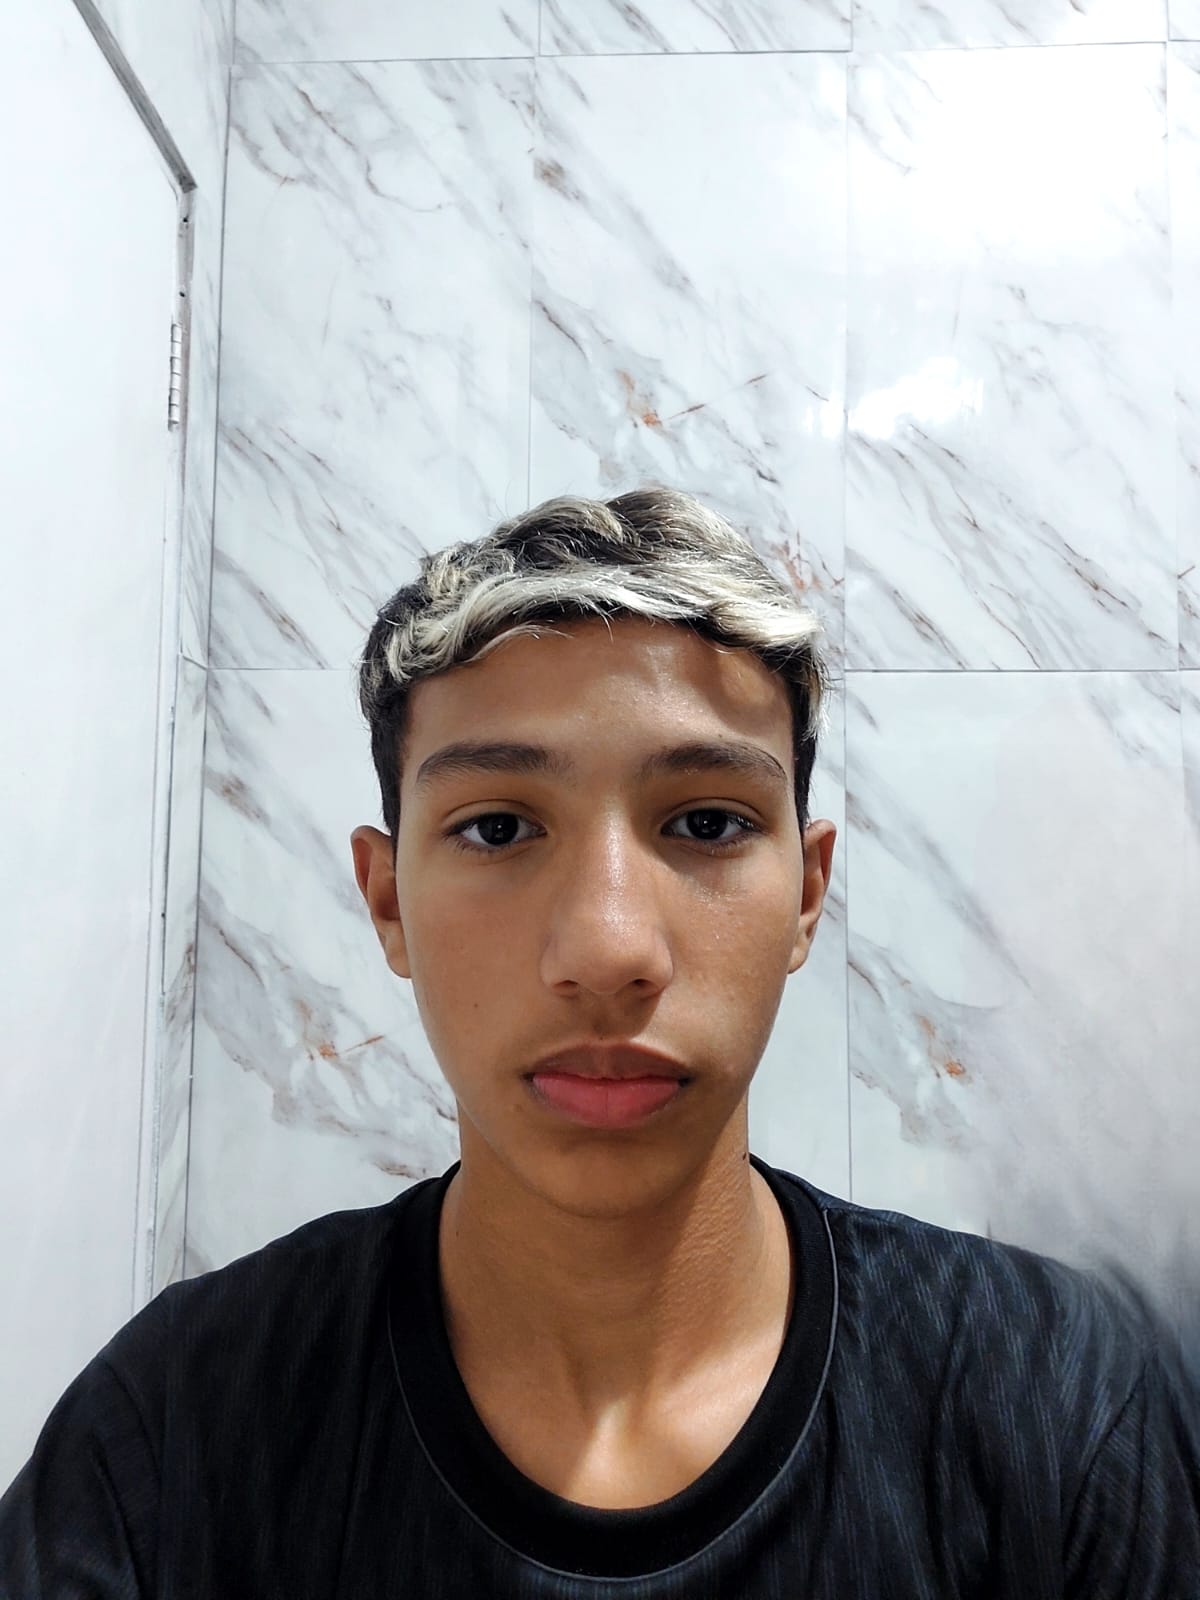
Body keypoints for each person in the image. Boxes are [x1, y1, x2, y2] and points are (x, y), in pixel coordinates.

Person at [1, 488, 1197, 1597]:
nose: (610, 947)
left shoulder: (1048, 1397)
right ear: (388, 902)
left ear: (806, 894)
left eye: (708, 821)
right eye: (499, 827)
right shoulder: (175, 1429)